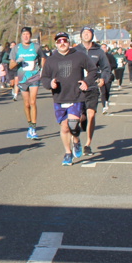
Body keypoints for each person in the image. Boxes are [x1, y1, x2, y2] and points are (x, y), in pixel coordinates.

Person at [40, 32, 96, 166]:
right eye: (59, 41)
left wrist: (86, 82)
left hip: (76, 95)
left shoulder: (79, 56)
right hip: (59, 97)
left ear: (69, 42)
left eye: (64, 40)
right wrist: (50, 84)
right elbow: (44, 77)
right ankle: (68, 152)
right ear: (56, 44)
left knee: (73, 124)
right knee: (65, 127)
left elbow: (93, 70)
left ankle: (75, 140)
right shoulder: (51, 60)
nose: (62, 43)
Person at [77, 26, 112, 157]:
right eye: (84, 33)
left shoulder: (99, 51)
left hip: (92, 87)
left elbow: (106, 68)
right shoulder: (75, 50)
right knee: (80, 117)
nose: (86, 35)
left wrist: (103, 78)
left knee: (91, 115)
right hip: (78, 88)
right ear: (81, 35)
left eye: (89, 33)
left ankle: (87, 144)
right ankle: (78, 137)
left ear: (92, 35)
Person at [9, 26, 43, 140]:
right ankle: (29, 125)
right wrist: (17, 61)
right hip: (22, 78)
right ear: (21, 36)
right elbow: (11, 66)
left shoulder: (36, 47)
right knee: (27, 104)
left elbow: (43, 58)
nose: (26, 36)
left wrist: (42, 69)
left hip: (34, 77)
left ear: (30, 36)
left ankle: (33, 128)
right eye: (24, 34)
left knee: (33, 102)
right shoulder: (16, 48)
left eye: (27, 34)